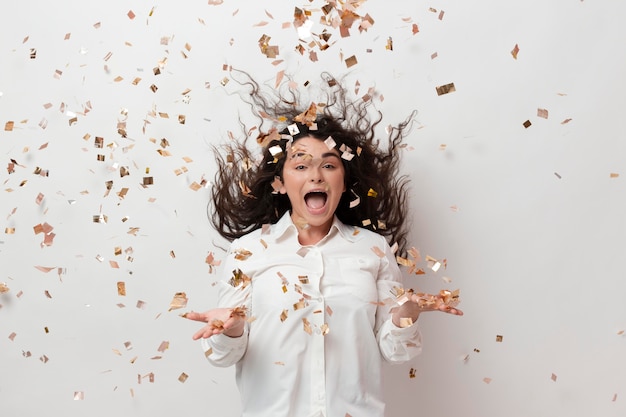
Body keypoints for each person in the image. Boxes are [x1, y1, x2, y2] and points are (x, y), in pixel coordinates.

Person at [185, 70, 463, 417]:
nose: (316, 175)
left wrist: (405, 315)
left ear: (344, 181)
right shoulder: (250, 251)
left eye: (328, 166)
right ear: (280, 184)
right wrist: (232, 328)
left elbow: (396, 352)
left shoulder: (373, 249)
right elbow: (222, 356)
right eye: (301, 165)